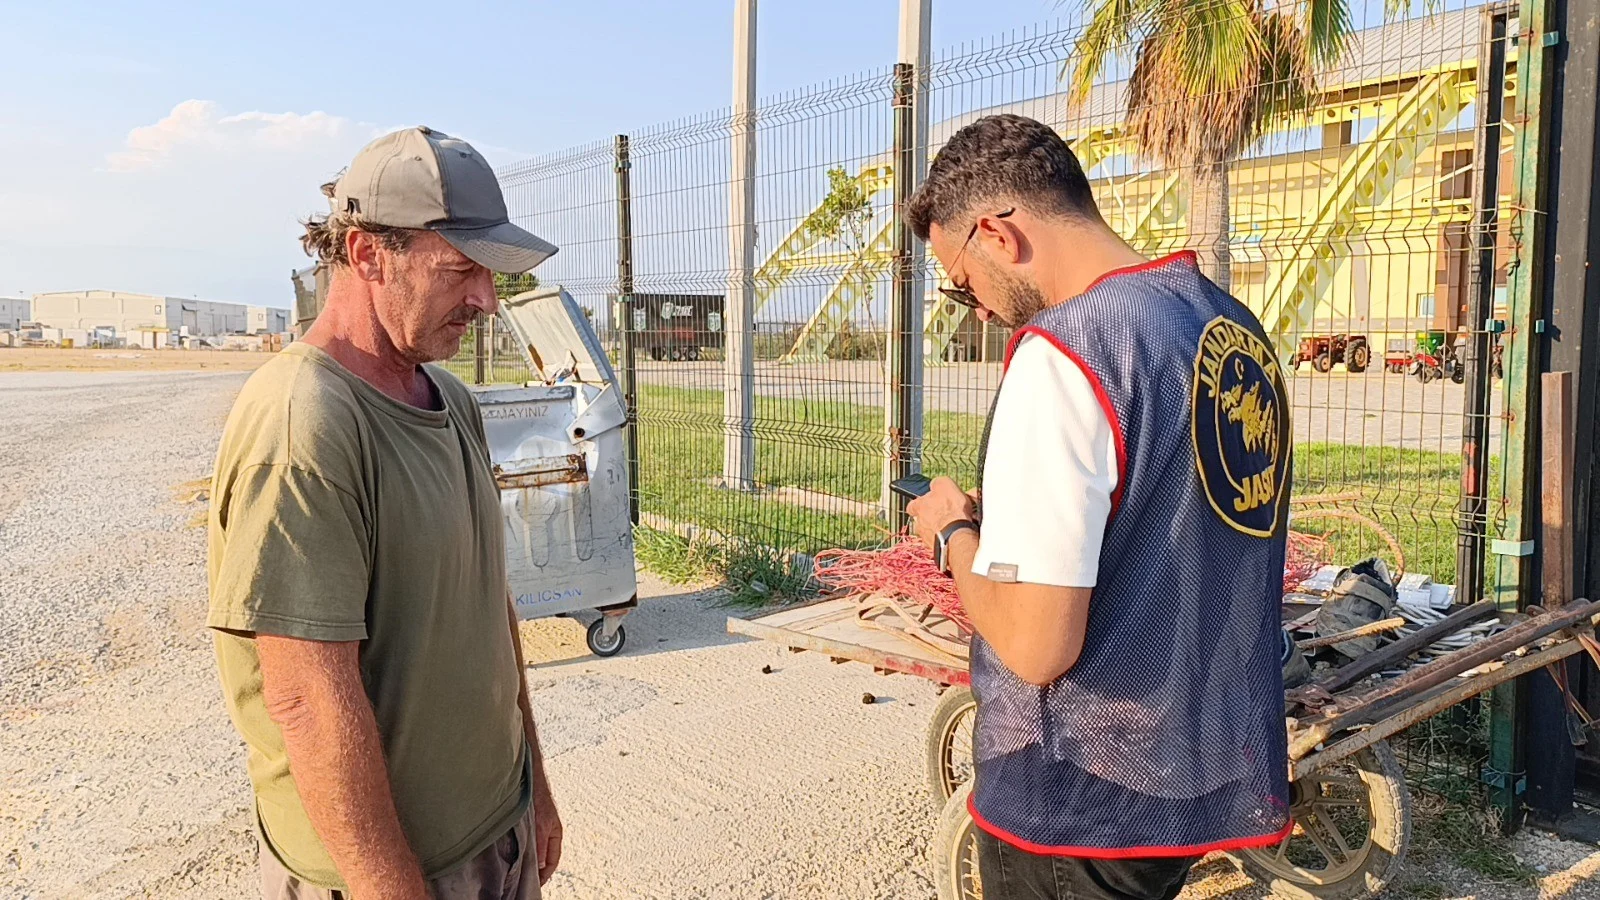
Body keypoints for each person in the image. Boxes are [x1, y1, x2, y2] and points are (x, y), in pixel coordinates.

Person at [904, 114, 1292, 900]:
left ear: (996, 234)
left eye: (960, 279)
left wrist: (953, 532)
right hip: (1187, 760)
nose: (973, 307)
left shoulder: (1064, 353)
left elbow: (1037, 646)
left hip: (1079, 797)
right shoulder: (1229, 326)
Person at [207, 126, 562, 900]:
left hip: (494, 839)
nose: (486, 300)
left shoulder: (454, 403)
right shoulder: (306, 422)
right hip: (391, 877)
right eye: (461, 270)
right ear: (369, 254)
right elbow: (305, 699)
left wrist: (531, 786)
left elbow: (486, 609)